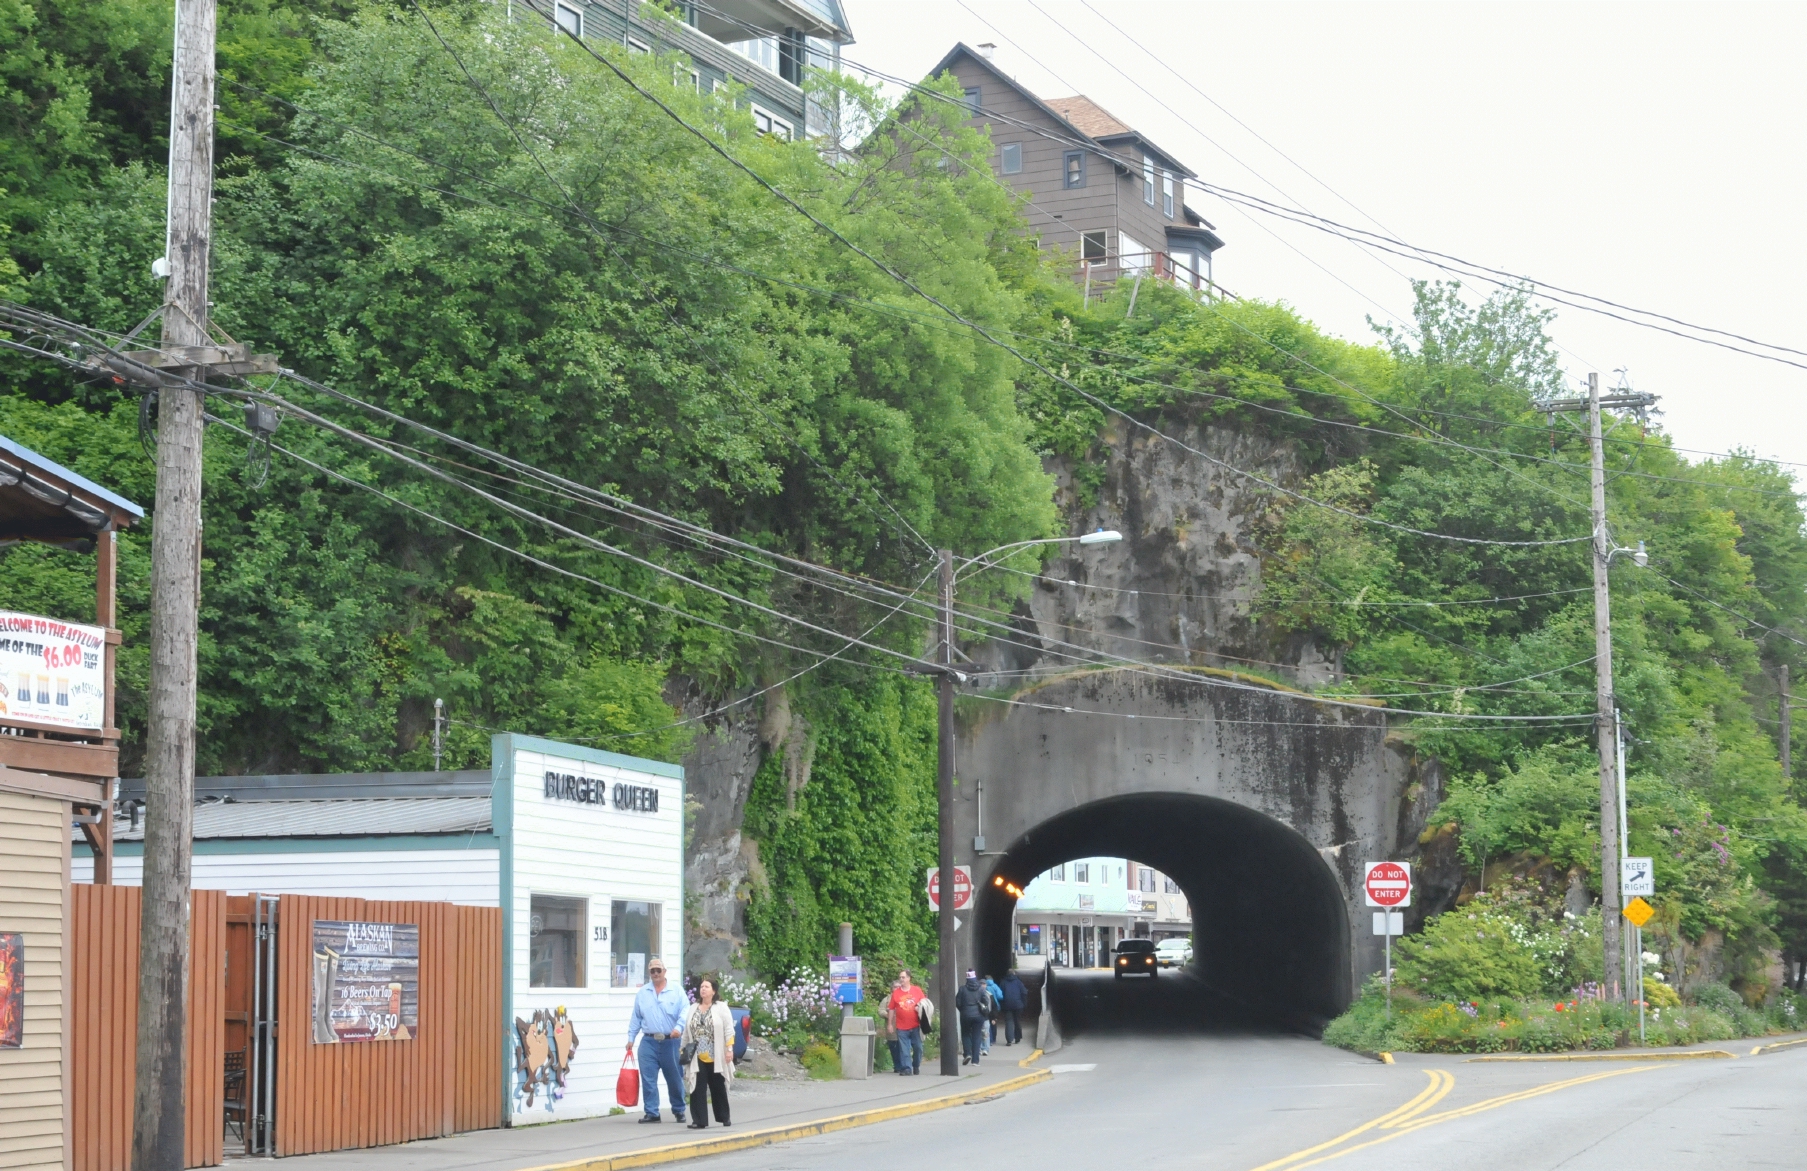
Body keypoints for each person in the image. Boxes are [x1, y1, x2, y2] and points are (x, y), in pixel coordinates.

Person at [626, 957, 687, 1123]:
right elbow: (636, 1017)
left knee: (674, 1077)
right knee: (648, 1078)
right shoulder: (643, 993)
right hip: (649, 1041)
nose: (655, 973)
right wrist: (631, 1038)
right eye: (652, 970)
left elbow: (685, 1011)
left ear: (664, 971)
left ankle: (679, 1110)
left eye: (658, 970)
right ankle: (652, 1112)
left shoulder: (676, 990)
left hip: (670, 1041)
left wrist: (679, 1028)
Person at [683, 976, 735, 1129]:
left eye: (706, 987)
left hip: (715, 1053)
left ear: (713, 991)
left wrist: (729, 1049)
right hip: (697, 1053)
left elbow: (728, 1029)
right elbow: (687, 1031)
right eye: (701, 987)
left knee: (717, 1086)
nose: (703, 989)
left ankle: (724, 1117)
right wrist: (683, 1049)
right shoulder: (693, 1007)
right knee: (697, 1087)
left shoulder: (721, 1007)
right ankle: (699, 1120)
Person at [885, 969, 926, 1076]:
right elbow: (891, 1009)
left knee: (918, 1047)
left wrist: (919, 1008)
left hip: (916, 1025)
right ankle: (907, 1068)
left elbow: (924, 1003)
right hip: (901, 1027)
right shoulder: (896, 993)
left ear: (909, 978)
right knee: (904, 1049)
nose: (901, 979)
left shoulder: (916, 990)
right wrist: (889, 1024)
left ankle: (916, 1065)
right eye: (900, 977)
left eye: (903, 977)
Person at [955, 969, 988, 1066]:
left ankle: (967, 1054)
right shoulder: (981, 989)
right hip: (978, 1016)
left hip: (965, 1015)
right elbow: (985, 1001)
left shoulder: (962, 989)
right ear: (975, 978)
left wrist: (963, 1010)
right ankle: (975, 1061)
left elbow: (958, 1003)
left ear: (967, 979)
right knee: (976, 1036)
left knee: (965, 1034)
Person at [882, 975, 904, 1073]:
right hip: (892, 1027)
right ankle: (897, 1066)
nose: (897, 988)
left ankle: (904, 1065)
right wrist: (887, 1015)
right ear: (891, 988)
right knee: (894, 1048)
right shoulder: (887, 999)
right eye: (895, 987)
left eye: (899, 986)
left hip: (903, 1027)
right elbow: (880, 1010)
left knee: (903, 1047)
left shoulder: (904, 997)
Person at [1000, 969, 1027, 1046]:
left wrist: (1002, 1004)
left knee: (1009, 1022)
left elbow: (1001, 994)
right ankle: (1017, 1038)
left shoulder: (1003, 982)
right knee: (1017, 1020)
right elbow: (1024, 992)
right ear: (1014, 974)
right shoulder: (1018, 982)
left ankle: (1009, 1040)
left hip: (1007, 1005)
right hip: (1018, 1005)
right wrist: (1024, 1003)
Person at [982, 973, 1004, 1054]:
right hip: (995, 1006)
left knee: (986, 1024)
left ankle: (988, 1041)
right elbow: (1000, 996)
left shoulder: (983, 987)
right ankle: (993, 1039)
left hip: (986, 1008)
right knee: (993, 1023)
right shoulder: (995, 986)